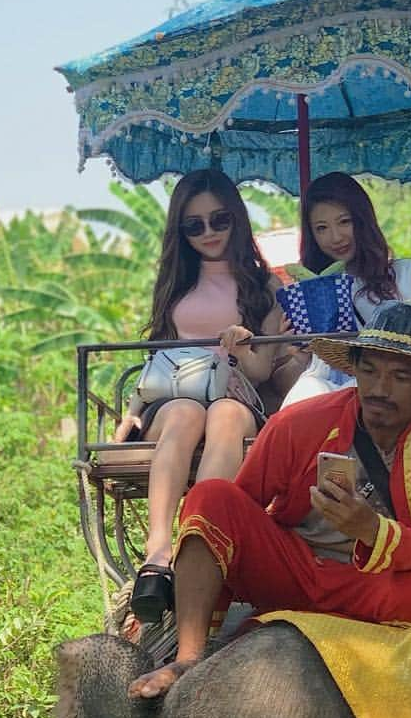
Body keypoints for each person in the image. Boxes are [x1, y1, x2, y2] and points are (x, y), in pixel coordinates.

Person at [128, 301, 411, 700]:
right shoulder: (299, 422)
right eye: (369, 371)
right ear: (353, 370)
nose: (380, 390)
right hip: (295, 571)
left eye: (400, 377)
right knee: (210, 495)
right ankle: (188, 657)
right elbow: (239, 511)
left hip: (375, 584)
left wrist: (373, 531)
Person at [114, 170, 286, 623]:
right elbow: (155, 359)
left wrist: (244, 345)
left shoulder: (265, 288)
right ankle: (158, 551)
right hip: (175, 394)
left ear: (237, 220)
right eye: (194, 225)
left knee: (226, 416)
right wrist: (131, 412)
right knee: (186, 415)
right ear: (181, 231)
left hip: (234, 388)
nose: (208, 233)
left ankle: (199, 540)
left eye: (219, 220)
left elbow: (262, 371)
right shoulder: (175, 284)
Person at [279, 172, 411, 408]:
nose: (335, 237)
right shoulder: (310, 294)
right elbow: (312, 371)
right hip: (328, 387)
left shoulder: (405, 274)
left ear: (362, 219)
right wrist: (300, 355)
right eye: (322, 228)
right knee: (300, 403)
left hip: (395, 390)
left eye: (344, 222)